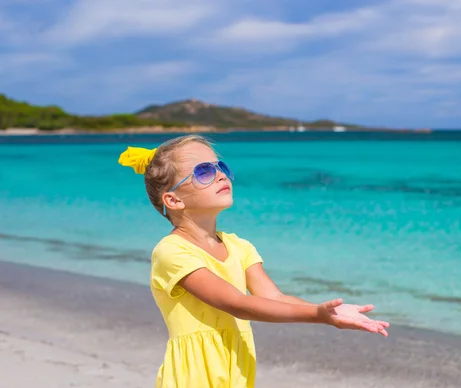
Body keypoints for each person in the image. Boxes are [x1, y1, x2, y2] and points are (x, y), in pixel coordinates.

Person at [118, 134, 389, 388]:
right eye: (204, 172)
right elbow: (238, 303)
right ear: (173, 200)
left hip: (236, 373)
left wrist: (326, 311)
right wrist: (317, 316)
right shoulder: (172, 252)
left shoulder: (239, 246)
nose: (221, 175)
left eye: (220, 166)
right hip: (193, 377)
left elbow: (274, 297)